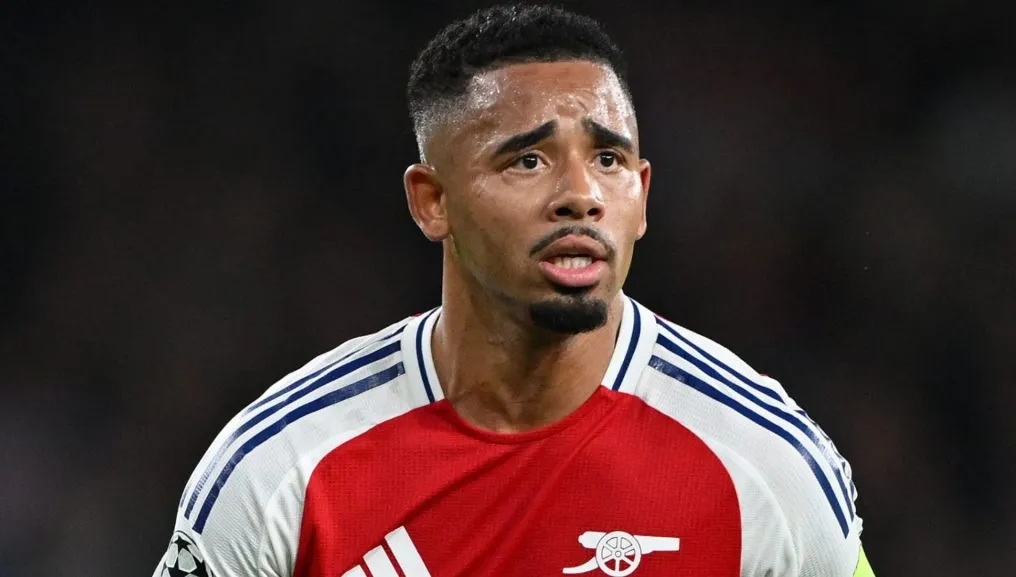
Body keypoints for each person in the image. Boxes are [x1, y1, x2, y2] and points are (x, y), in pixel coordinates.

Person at [154, 4, 875, 577]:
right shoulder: (282, 470)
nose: (581, 195)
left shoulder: (764, 464)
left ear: (644, 195)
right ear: (431, 201)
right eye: (528, 160)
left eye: (608, 158)